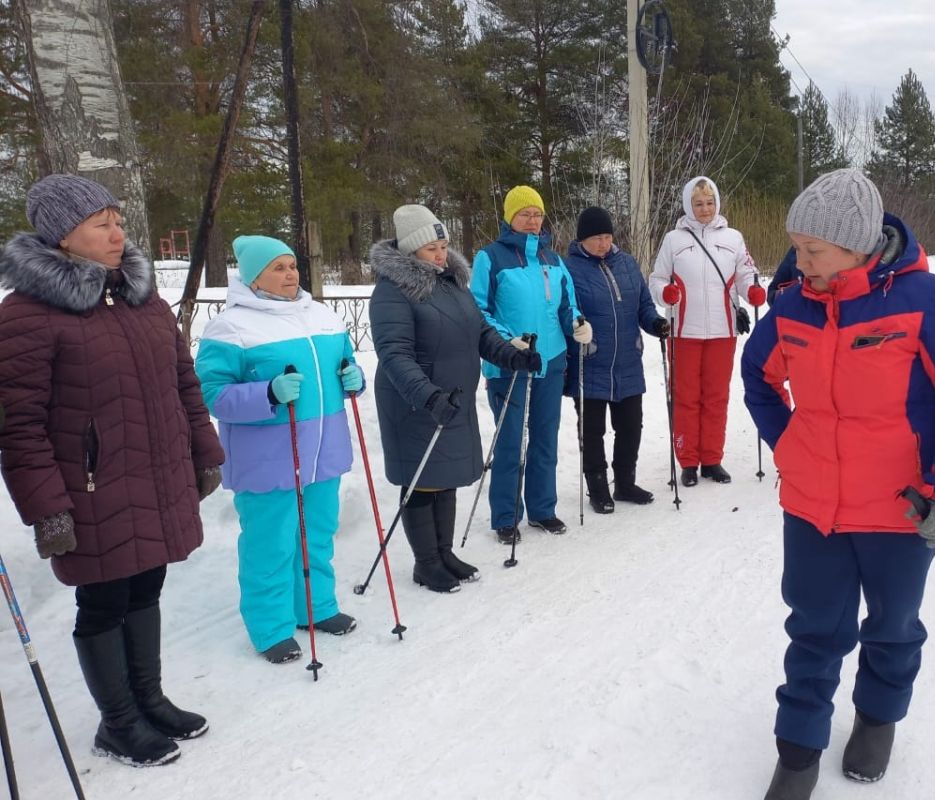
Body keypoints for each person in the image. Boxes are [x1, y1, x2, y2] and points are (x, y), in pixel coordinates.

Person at [741, 168, 935, 800]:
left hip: (900, 512)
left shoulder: (931, 303)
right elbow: (758, 378)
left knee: (892, 625)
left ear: (858, 246)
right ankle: (798, 750)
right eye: (797, 246)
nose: (798, 261)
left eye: (813, 250)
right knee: (813, 628)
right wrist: (788, 441)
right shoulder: (792, 307)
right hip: (814, 510)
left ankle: (877, 717)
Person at [0, 174, 225, 767]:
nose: (117, 233)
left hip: (154, 473)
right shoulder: (26, 315)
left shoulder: (140, 297)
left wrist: (204, 450)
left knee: (146, 584)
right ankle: (118, 722)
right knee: (103, 601)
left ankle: (148, 700)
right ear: (62, 238)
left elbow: (184, 382)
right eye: (101, 224)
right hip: (89, 488)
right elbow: (18, 426)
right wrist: (47, 508)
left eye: (117, 220)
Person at [195, 235, 364, 665]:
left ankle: (315, 606)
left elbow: (347, 364)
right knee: (270, 543)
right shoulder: (230, 327)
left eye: (292, 266)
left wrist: (353, 377)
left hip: (323, 450)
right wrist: (267, 393)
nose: (291, 274)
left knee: (318, 533)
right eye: (279, 268)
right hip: (268, 457)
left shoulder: (323, 316)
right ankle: (269, 626)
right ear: (253, 276)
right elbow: (212, 393)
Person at [369, 205, 541, 592]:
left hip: (451, 398)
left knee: (443, 478)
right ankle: (425, 562)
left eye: (444, 245)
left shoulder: (451, 284)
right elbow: (394, 354)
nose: (441, 254)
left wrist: (512, 355)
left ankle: (443, 553)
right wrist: (427, 396)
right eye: (432, 248)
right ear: (411, 251)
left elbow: (481, 332)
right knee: (421, 480)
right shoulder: (392, 292)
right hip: (414, 401)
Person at [470, 186, 590, 543]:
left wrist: (579, 324)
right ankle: (506, 516)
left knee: (544, 439)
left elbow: (568, 304)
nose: (533, 220)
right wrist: (508, 341)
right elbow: (479, 309)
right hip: (510, 364)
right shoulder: (489, 258)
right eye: (525, 214)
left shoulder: (554, 260)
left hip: (550, 362)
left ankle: (542, 509)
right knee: (510, 442)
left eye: (537, 214)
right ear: (509, 218)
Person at [649, 176, 764, 487]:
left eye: (710, 202)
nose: (705, 208)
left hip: (722, 330)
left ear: (717, 203)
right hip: (684, 330)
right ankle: (688, 460)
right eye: (698, 203)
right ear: (688, 204)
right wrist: (666, 294)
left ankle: (712, 458)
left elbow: (746, 273)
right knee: (685, 396)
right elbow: (657, 279)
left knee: (716, 396)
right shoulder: (673, 239)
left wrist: (752, 291)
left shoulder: (734, 238)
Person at [563, 206, 667, 513]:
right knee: (592, 430)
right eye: (596, 237)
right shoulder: (568, 269)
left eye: (607, 236)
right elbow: (566, 310)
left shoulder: (628, 264)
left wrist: (656, 324)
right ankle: (597, 488)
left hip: (627, 361)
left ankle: (624, 482)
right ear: (582, 239)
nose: (603, 243)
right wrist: (577, 327)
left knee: (631, 426)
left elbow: (644, 306)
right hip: (591, 360)